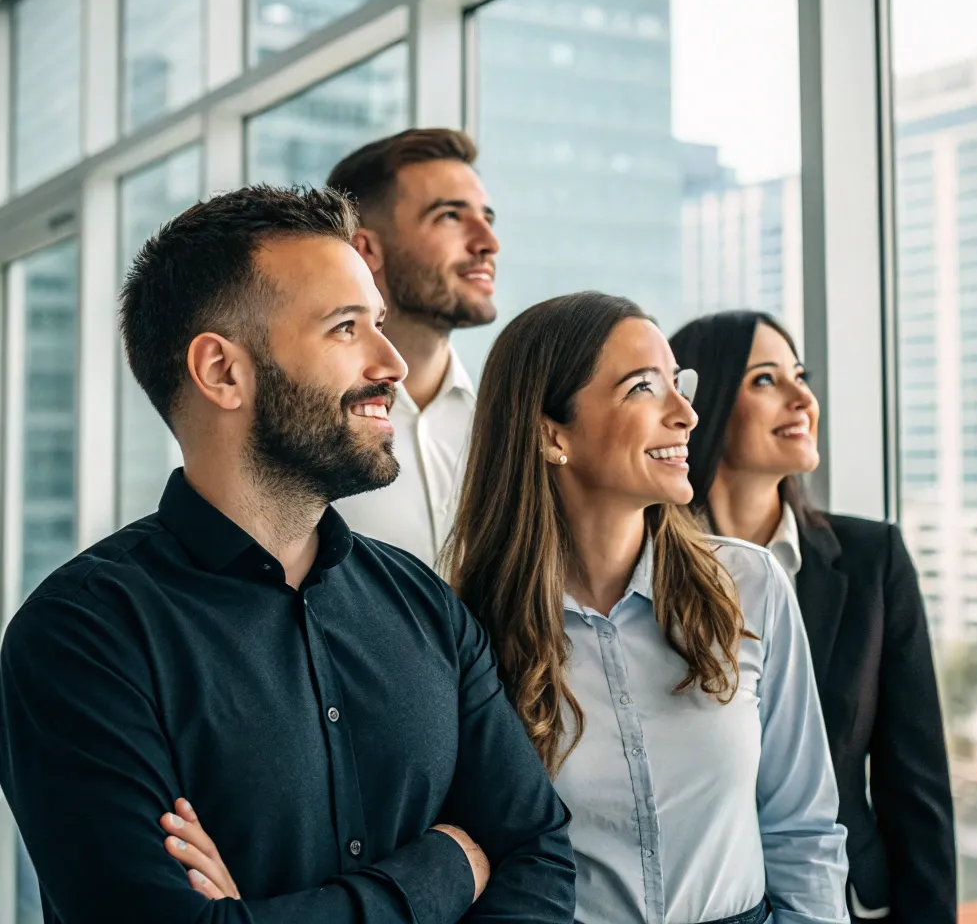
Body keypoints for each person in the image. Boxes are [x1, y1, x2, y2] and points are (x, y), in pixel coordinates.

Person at [0, 185, 575, 924]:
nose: (392, 363)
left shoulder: (424, 605)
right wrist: (442, 872)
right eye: (345, 329)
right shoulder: (81, 638)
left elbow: (537, 854)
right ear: (222, 372)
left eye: (380, 324)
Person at [442, 291, 850, 924]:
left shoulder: (751, 583)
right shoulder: (466, 625)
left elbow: (804, 828)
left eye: (677, 385)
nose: (686, 413)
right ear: (552, 433)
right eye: (642, 388)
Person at [668, 310, 955, 924]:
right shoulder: (648, 573)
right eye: (766, 380)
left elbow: (917, 785)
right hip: (701, 903)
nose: (803, 397)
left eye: (801, 375)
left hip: (851, 905)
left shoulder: (873, 560)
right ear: (705, 401)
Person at [326, 129, 498, 569]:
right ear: (366, 249)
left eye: (487, 219)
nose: (487, 243)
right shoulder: (307, 433)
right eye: (450, 217)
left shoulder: (503, 432)